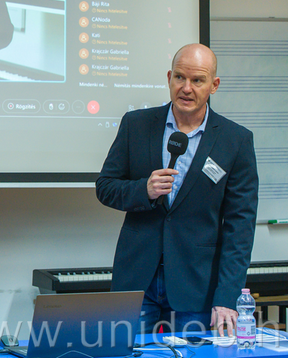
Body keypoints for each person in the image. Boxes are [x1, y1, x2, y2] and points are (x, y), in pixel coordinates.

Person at [95, 44, 258, 336]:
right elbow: (105, 187)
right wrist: (144, 190)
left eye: (197, 80)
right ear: (169, 78)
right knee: (127, 354)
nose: (186, 88)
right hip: (137, 281)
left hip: (196, 287)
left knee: (194, 356)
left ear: (214, 85)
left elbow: (240, 227)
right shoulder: (136, 124)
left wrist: (227, 296)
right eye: (180, 77)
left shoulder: (235, 140)